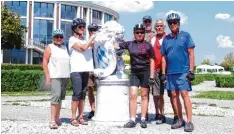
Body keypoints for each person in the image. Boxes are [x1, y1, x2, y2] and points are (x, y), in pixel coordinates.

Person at [115, 24, 155, 128]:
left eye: (141, 32)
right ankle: (132, 119)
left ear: (144, 33)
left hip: (145, 72)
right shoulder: (130, 44)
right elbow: (116, 45)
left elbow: (152, 60)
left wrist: (151, 77)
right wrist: (117, 49)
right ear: (134, 34)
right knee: (133, 95)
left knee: (144, 95)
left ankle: (143, 119)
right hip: (134, 72)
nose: (139, 34)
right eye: (137, 32)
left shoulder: (148, 45)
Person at [161, 13, 195, 132]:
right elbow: (164, 57)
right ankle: (180, 119)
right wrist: (163, 73)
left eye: (174, 22)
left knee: (184, 95)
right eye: (170, 23)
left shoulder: (186, 36)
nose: (172, 25)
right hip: (170, 73)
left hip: (183, 71)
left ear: (179, 23)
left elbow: (191, 53)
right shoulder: (166, 39)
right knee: (174, 96)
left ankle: (189, 121)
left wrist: (191, 70)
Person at [68, 18, 96, 126]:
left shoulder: (85, 40)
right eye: (80, 27)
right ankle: (73, 118)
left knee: (83, 94)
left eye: (84, 27)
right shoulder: (72, 40)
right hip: (76, 70)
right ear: (75, 28)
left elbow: (94, 44)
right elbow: (84, 48)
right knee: (77, 93)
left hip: (85, 70)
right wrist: (92, 38)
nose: (83, 29)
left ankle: (80, 117)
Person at [42, 29, 70, 129]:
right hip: (55, 76)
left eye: (61, 37)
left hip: (65, 76)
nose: (59, 39)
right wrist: (47, 77)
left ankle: (58, 118)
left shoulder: (64, 48)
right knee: (55, 97)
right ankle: (52, 120)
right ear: (53, 38)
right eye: (56, 37)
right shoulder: (49, 47)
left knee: (60, 98)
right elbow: (45, 62)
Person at [150, 19, 167, 124]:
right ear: (155, 28)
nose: (159, 28)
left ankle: (162, 113)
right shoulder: (152, 39)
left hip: (165, 70)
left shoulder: (168, 38)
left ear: (164, 27)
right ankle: (157, 112)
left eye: (161, 26)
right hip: (155, 69)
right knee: (155, 94)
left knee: (161, 94)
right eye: (157, 26)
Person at [86, 23, 100, 119]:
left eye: (94, 30)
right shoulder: (87, 41)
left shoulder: (100, 41)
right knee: (90, 89)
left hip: (99, 68)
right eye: (91, 30)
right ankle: (93, 109)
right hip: (89, 68)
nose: (93, 31)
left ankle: (101, 108)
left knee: (100, 89)